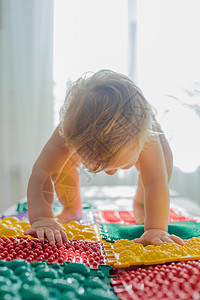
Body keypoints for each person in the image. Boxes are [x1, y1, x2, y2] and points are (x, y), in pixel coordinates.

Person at [24, 69, 184, 247]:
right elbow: (43, 170)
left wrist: (156, 228)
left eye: (121, 165)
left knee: (161, 165)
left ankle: (141, 203)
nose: (111, 173)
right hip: (87, 128)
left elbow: (155, 182)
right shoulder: (71, 129)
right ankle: (71, 208)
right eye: (98, 167)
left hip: (145, 122)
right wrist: (42, 217)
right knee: (66, 164)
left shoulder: (147, 136)